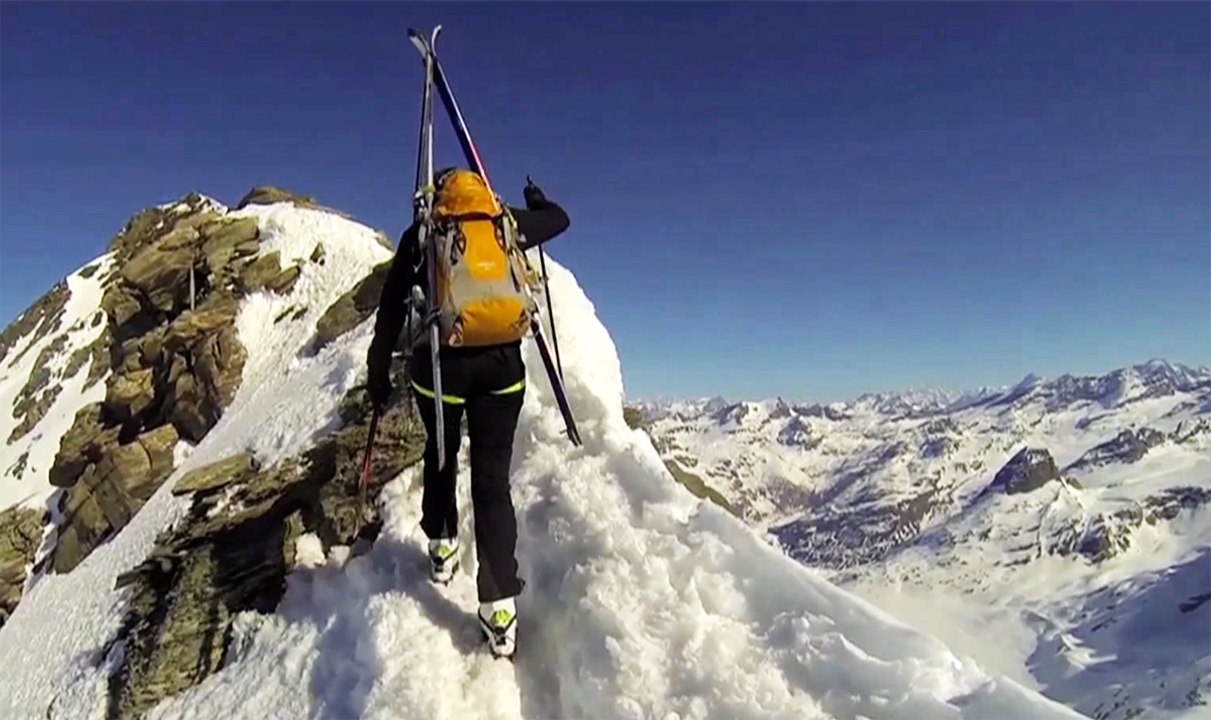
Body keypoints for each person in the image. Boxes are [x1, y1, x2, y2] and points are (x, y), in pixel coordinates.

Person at [365, 167, 570, 657]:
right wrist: (537, 199)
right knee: (492, 486)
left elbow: (392, 307)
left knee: (440, 452)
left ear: (438, 194)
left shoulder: (424, 232)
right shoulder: (504, 222)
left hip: (440, 368)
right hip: (502, 369)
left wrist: (378, 371)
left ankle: (441, 549)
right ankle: (499, 611)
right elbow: (560, 220)